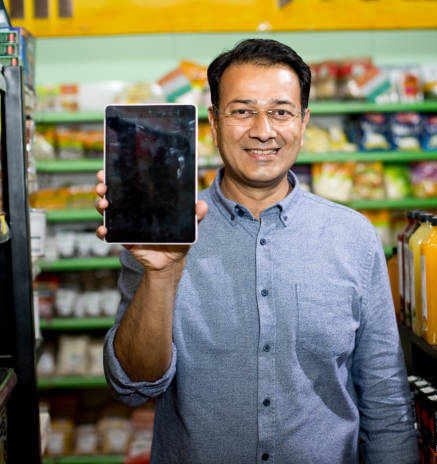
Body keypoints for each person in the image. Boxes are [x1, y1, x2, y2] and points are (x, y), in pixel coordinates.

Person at [96, 38, 418, 464]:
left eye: (281, 112)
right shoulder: (163, 235)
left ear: (303, 122)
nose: (263, 130)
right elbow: (134, 386)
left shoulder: (352, 236)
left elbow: (384, 394)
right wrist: (161, 275)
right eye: (242, 111)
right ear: (213, 122)